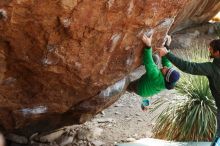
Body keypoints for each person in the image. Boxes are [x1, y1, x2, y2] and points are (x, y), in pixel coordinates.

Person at [157, 39, 220, 146]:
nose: (209, 50)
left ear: (218, 52)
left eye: (211, 49)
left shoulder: (212, 68)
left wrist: (167, 54)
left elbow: (188, 67)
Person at [127, 34, 180, 111]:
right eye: (169, 68)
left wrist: (148, 45)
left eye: (166, 70)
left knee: (129, 85)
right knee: (155, 58)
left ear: (165, 76)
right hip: (150, 89)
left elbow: (149, 62)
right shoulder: (168, 79)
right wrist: (167, 45)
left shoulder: (156, 76)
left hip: (140, 88)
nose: (166, 68)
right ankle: (145, 104)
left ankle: (129, 89)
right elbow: (166, 61)